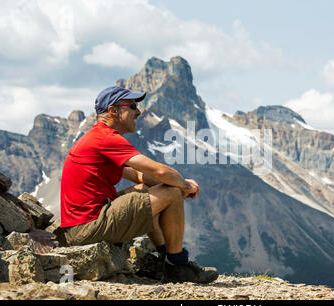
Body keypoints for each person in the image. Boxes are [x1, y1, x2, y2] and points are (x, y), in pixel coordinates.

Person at [58, 86, 218, 284]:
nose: (138, 111)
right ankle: (177, 266)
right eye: (132, 106)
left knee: (155, 191)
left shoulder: (97, 137)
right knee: (171, 193)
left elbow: (141, 177)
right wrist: (183, 186)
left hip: (83, 224)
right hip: (88, 227)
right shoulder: (105, 138)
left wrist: (175, 184)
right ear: (113, 111)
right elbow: (159, 171)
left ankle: (163, 258)